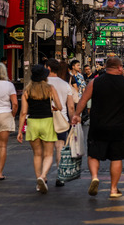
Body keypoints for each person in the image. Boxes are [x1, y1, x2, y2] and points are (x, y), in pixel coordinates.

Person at [70, 57, 124, 198]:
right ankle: (113, 189)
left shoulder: (95, 82)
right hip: (119, 127)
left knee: (94, 154)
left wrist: (76, 114)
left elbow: (83, 100)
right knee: (116, 158)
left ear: (105, 67)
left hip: (98, 125)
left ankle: (94, 177)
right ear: (120, 68)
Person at [16, 64, 63, 194]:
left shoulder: (27, 90)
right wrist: (54, 107)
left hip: (32, 123)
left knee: (37, 154)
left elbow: (23, 112)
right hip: (47, 122)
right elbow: (59, 106)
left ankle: (38, 180)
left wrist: (20, 131)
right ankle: (43, 176)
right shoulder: (50, 88)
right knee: (48, 154)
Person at [47, 59, 76, 187]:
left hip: (45, 119)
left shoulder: (42, 83)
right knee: (60, 148)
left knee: (45, 150)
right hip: (62, 120)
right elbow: (70, 106)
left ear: (48, 68)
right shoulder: (65, 84)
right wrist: (72, 120)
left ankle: (42, 176)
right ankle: (60, 177)